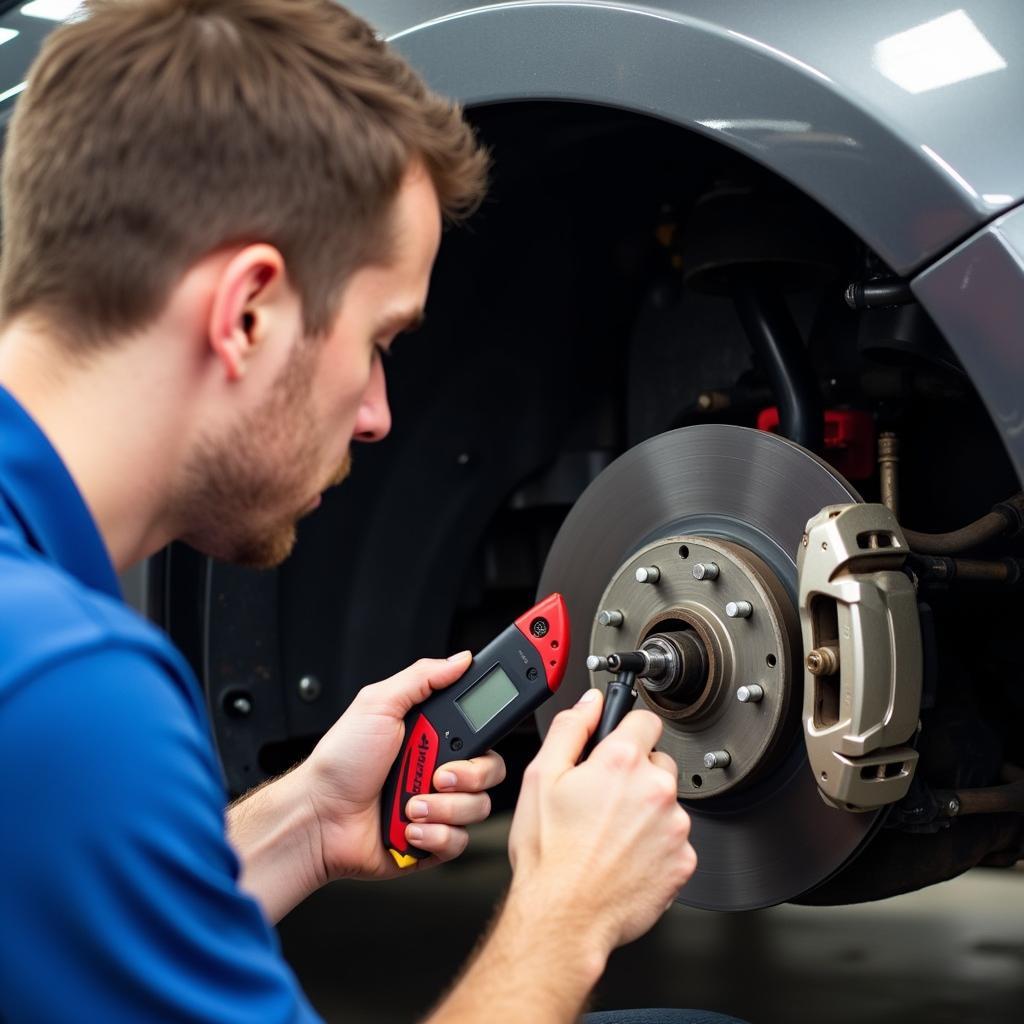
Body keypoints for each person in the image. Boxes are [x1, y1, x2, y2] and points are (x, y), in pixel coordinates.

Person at [0, 2, 744, 1021]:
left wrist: (304, 822)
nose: (381, 415)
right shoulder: (68, 691)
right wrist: (564, 912)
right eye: (380, 340)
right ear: (248, 312)